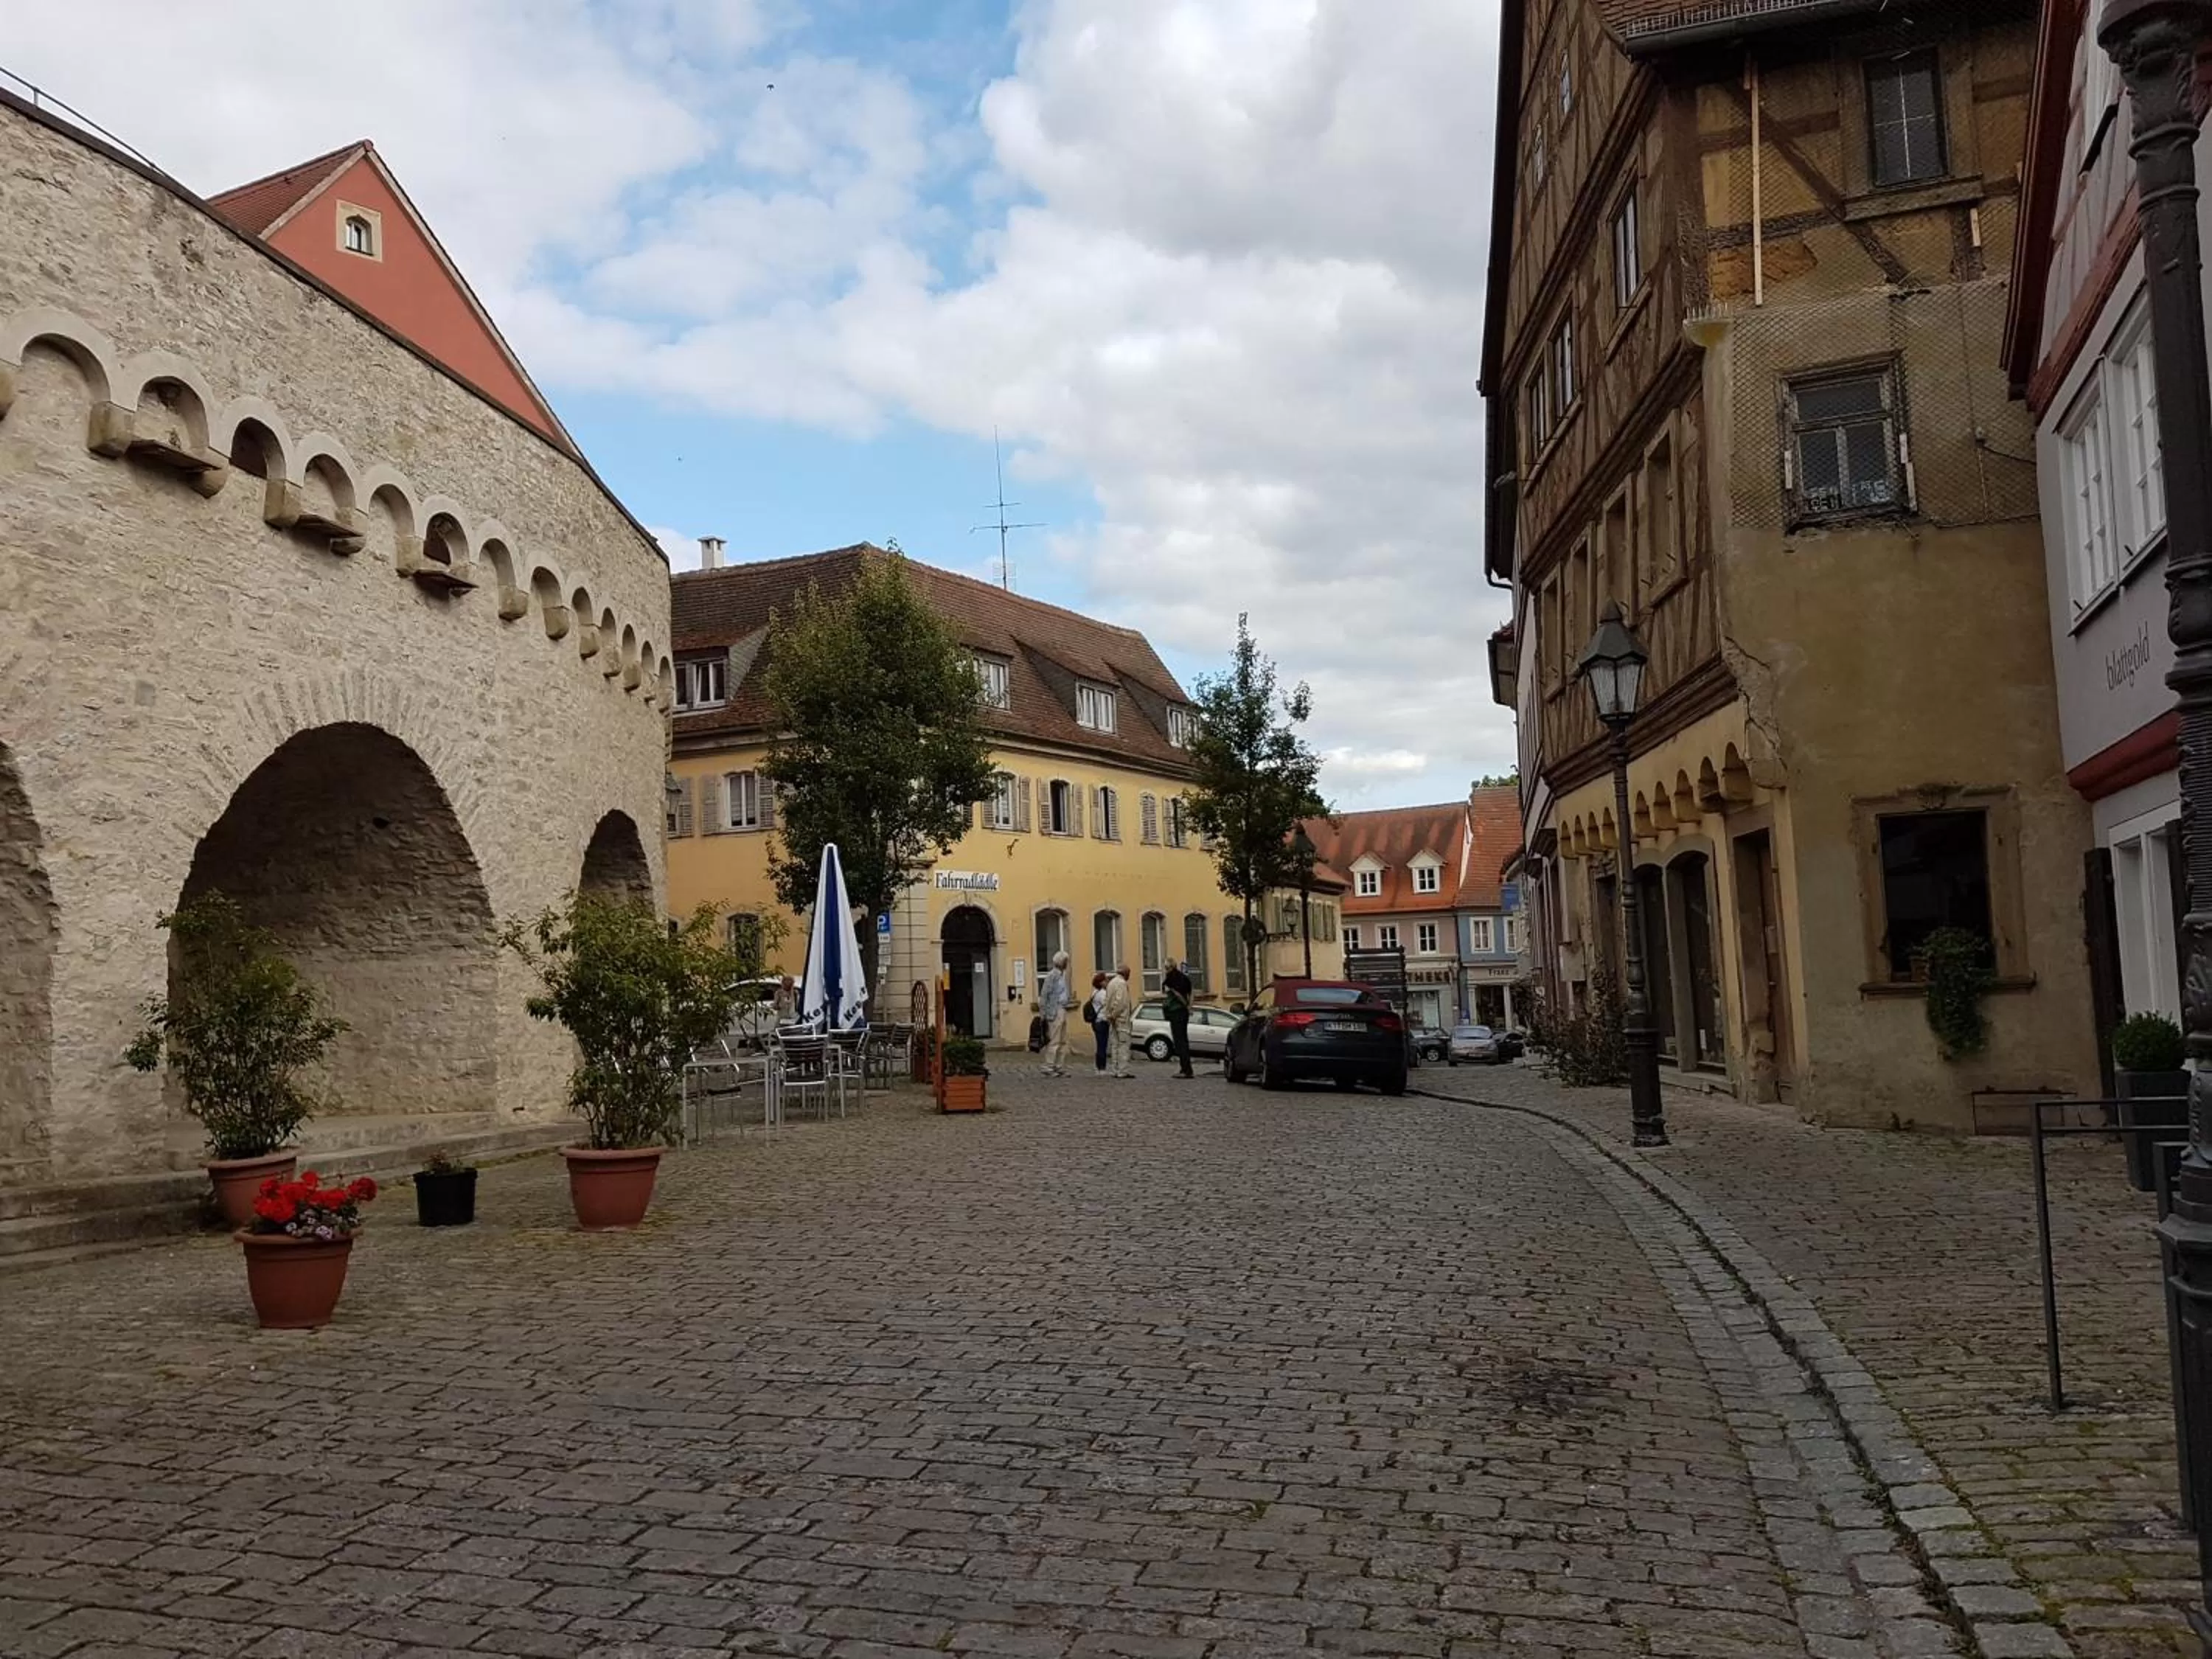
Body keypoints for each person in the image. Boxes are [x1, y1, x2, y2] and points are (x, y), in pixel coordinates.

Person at [1037, 951, 1074, 1077]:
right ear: (1062, 962)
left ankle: (1059, 1066)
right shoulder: (1052, 976)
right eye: (1066, 961)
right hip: (1055, 1011)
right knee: (1054, 1040)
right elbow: (1044, 996)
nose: (1067, 964)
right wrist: (1044, 1014)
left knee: (1063, 1040)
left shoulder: (1062, 976)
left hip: (1062, 1009)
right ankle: (1049, 1066)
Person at [1162, 958, 1196, 1079]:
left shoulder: (1171, 979)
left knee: (1179, 1042)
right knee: (1184, 1040)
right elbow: (1191, 993)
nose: (1165, 970)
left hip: (1176, 1012)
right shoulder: (1185, 978)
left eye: (1166, 968)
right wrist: (1190, 1007)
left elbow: (1177, 994)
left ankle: (1186, 1070)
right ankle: (1186, 1068)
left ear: (1170, 967)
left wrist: (1186, 1006)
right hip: (1183, 1013)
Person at [1105, 964, 1136, 1077]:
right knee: (1123, 1044)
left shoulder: (1111, 983)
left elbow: (1107, 1001)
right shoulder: (1122, 984)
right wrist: (1114, 1015)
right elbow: (1121, 1002)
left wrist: (1109, 1015)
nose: (1129, 976)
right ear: (1125, 973)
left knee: (1115, 1045)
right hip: (1121, 1019)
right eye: (1129, 973)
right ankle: (1122, 1071)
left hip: (1113, 1018)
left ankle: (1115, 1069)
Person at [1088, 971, 1111, 1072]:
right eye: (1106, 980)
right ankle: (1102, 1068)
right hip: (1102, 1021)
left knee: (1100, 1044)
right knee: (1102, 1045)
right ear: (1101, 982)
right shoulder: (1102, 994)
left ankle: (1098, 1067)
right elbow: (1107, 1006)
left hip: (1095, 1022)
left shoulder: (1094, 992)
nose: (1107, 982)